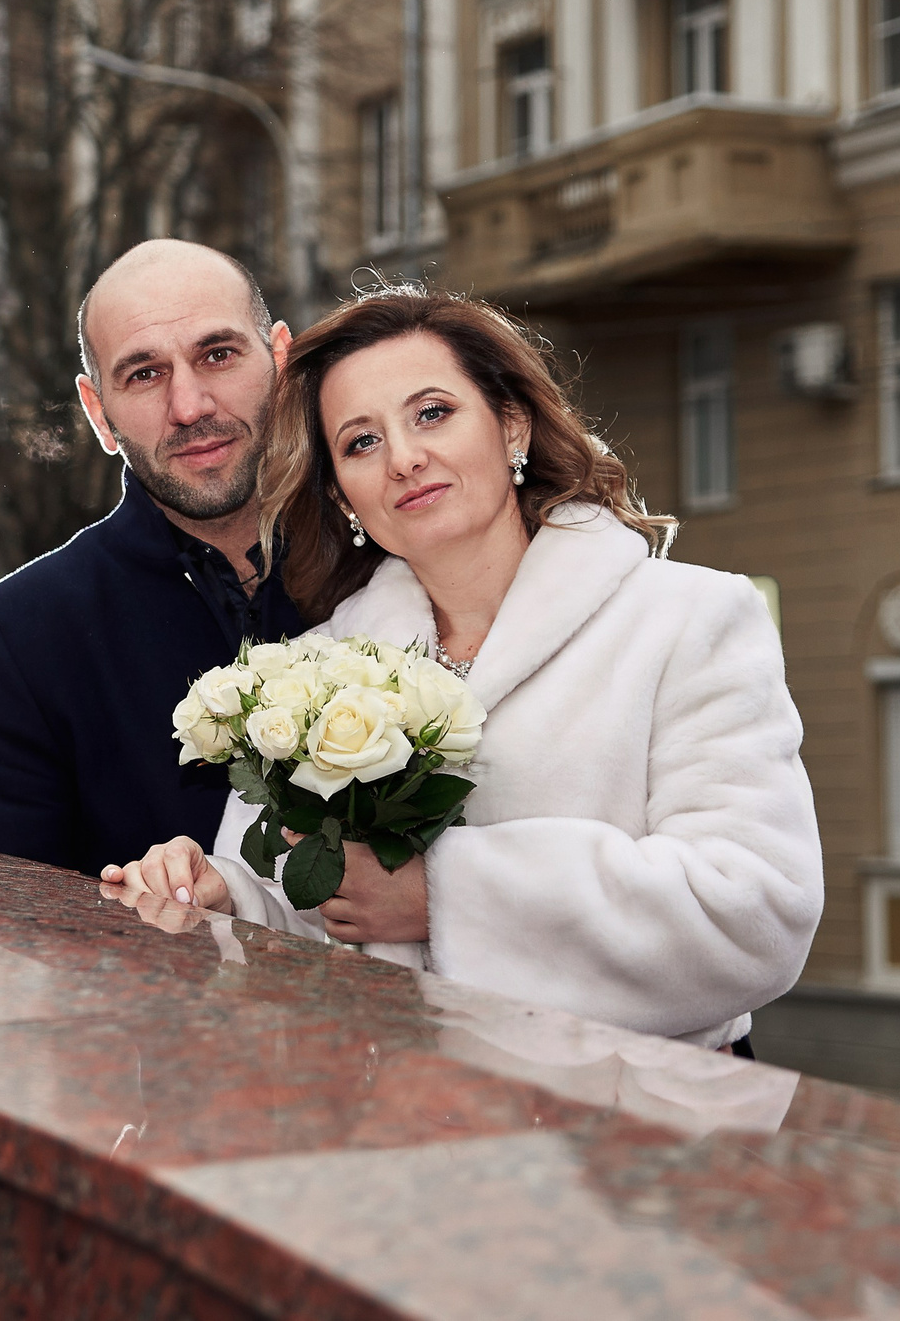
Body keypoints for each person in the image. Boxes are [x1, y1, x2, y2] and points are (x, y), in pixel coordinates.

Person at [104, 288, 823, 1052]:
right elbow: (299, 915)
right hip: (400, 1108)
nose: (404, 458)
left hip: (625, 1112)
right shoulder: (315, 668)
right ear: (341, 493)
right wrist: (220, 897)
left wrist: (445, 897)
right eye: (361, 441)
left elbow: (755, 911)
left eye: (432, 412)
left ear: (512, 423)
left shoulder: (688, 620)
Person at [0, 240, 307, 873]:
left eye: (218, 355)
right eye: (145, 374)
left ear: (281, 361)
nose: (190, 407)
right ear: (99, 412)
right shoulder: (20, 635)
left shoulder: (389, 562)